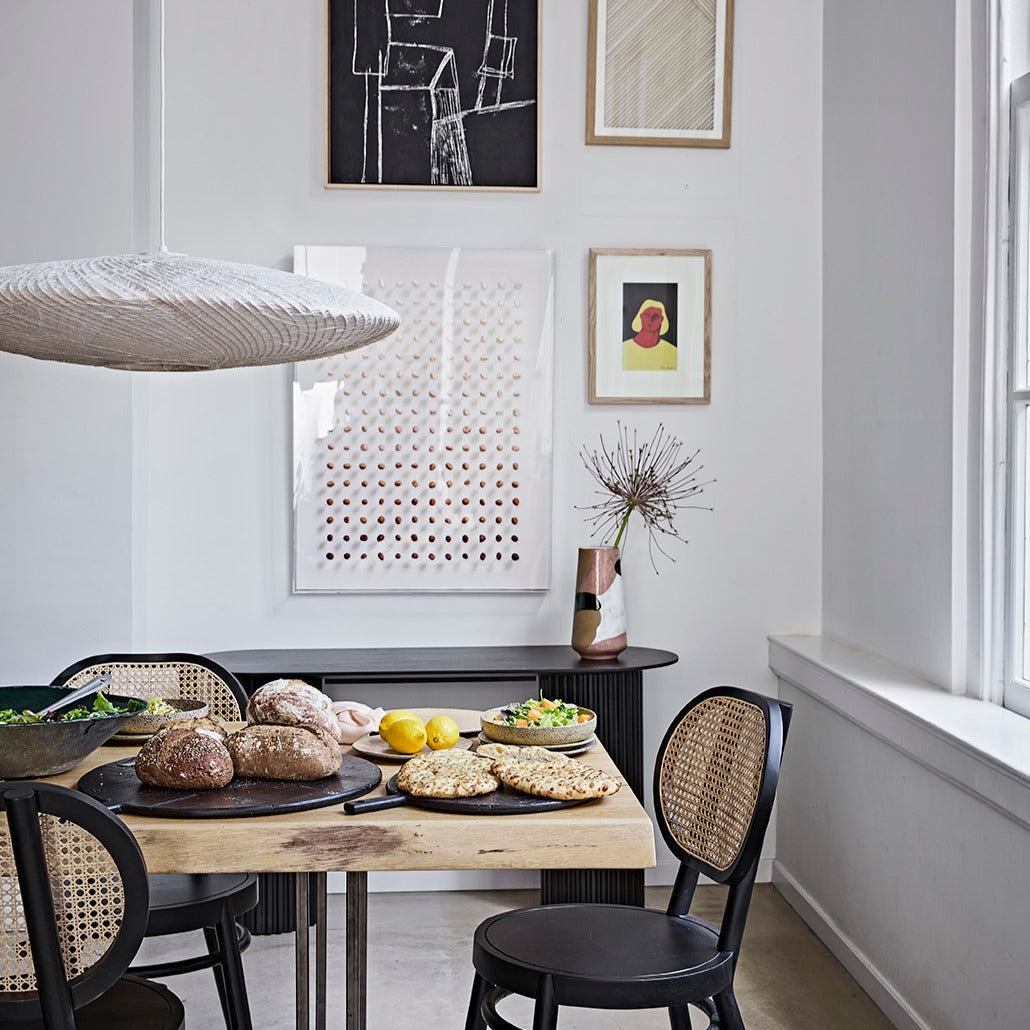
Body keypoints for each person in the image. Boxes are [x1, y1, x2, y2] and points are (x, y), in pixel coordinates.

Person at [622, 298, 677, 371]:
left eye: (656, 316)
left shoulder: (672, 352)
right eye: (647, 315)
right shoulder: (624, 349)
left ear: (662, 319)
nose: (651, 320)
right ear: (641, 316)